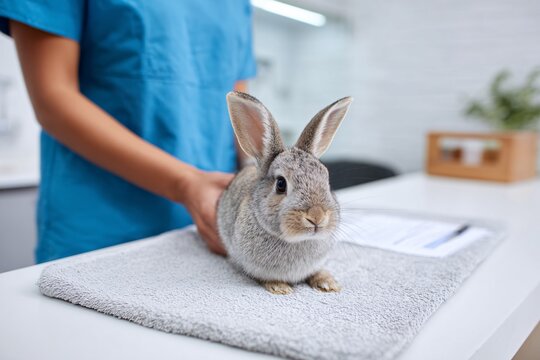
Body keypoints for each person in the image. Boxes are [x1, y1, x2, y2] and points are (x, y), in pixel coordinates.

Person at [0, 0, 256, 262]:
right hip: (100, 230)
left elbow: (238, 104)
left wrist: (263, 174)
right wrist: (187, 183)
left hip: (212, 233)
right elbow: (53, 99)